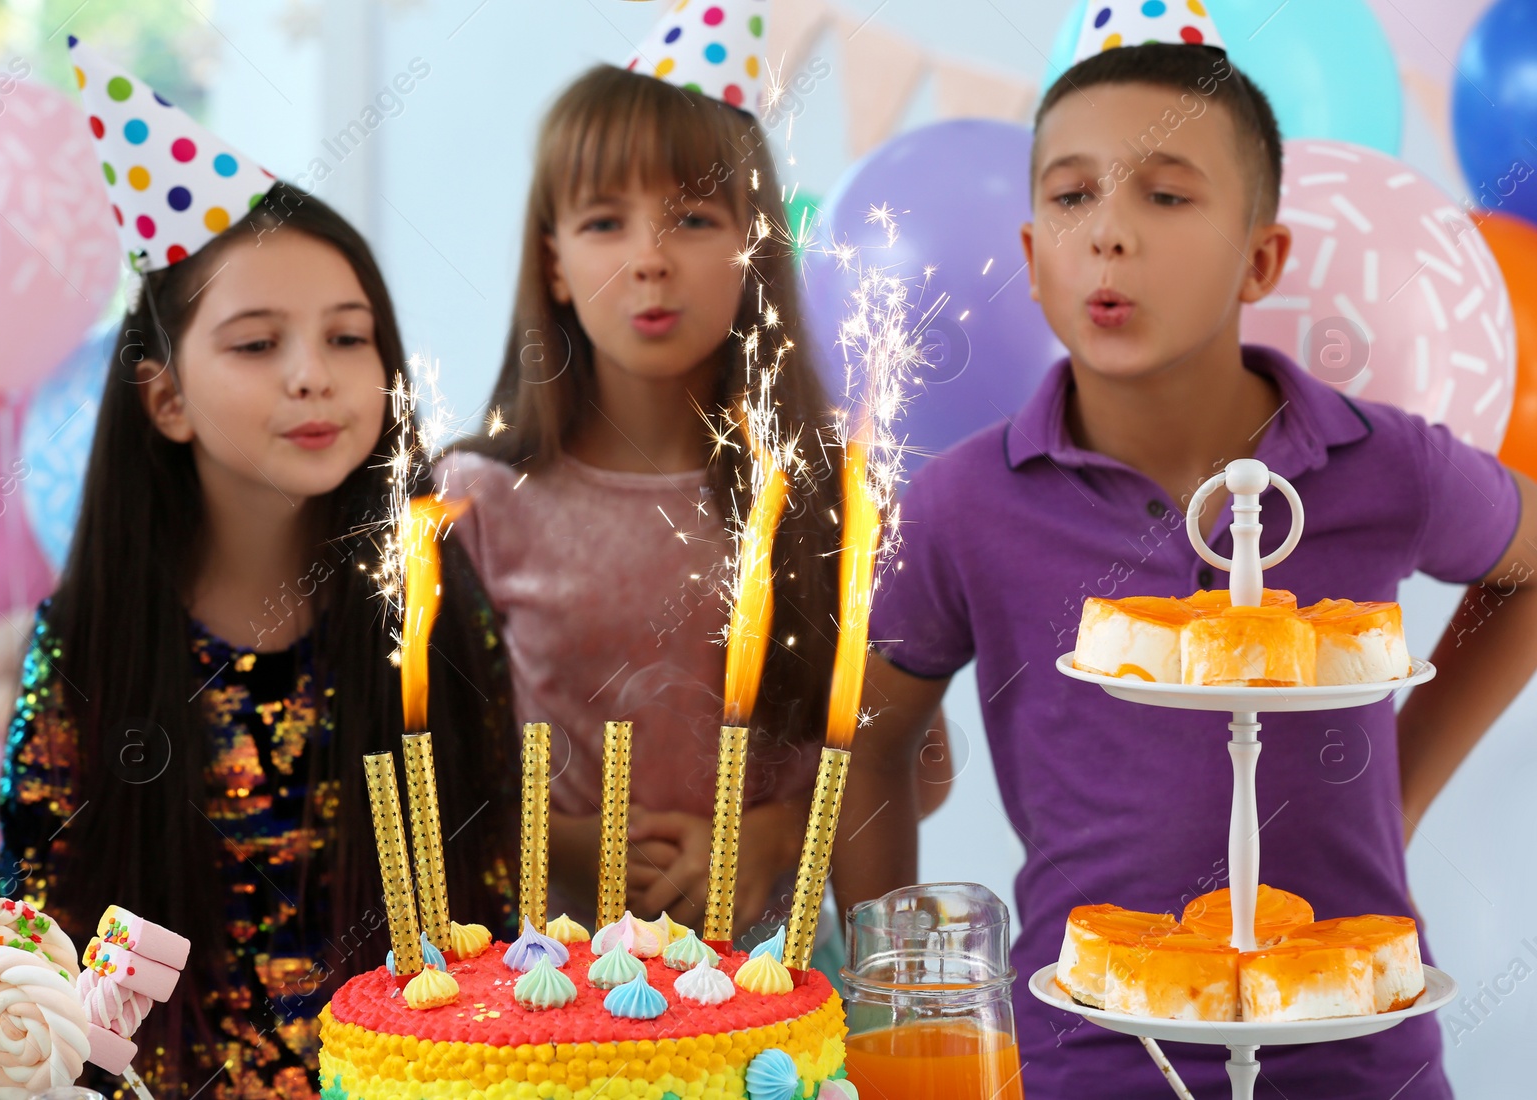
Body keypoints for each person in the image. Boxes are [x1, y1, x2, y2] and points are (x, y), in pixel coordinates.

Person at [834, 27, 1537, 1100]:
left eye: (1165, 196)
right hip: (1084, 1056)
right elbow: (870, 744)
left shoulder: (1382, 459)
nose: (1109, 234)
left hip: (1355, 1056)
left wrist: (1401, 775)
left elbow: (1528, 563)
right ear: (1031, 260)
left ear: (1261, 257)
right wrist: (887, 1013)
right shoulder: (967, 500)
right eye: (1072, 198)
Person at [0, 44, 516, 1099]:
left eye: (347, 335)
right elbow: (32, 962)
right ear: (166, 398)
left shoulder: (429, 599)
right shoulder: (91, 641)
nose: (312, 373)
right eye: (255, 342)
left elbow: (490, 904)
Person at [439, 59, 851, 937]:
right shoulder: (471, 503)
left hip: (783, 1002)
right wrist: (567, 844)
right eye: (603, 221)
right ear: (553, 263)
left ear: (755, 248)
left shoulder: (830, 492)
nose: (651, 261)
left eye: (695, 219)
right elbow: (425, 777)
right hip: (550, 1004)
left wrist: (774, 836)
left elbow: (909, 766)